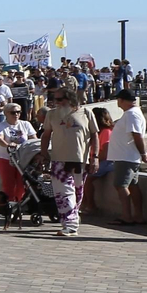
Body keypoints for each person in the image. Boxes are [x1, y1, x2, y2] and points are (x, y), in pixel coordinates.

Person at [38, 89, 96, 238]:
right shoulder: (52, 114)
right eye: (55, 99)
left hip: (80, 160)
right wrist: (44, 153)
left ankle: (72, 218)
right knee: (63, 193)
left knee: (77, 192)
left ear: (70, 98)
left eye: (60, 99)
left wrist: (94, 157)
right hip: (59, 160)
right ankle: (70, 225)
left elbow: (94, 135)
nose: (57, 102)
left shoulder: (87, 113)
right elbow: (46, 135)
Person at [107, 89, 147, 225]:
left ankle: (127, 216)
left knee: (121, 185)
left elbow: (137, 135)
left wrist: (143, 153)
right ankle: (138, 216)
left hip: (126, 156)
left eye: (118, 99)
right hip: (127, 156)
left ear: (122, 100)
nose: (117, 102)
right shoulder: (132, 114)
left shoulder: (131, 114)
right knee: (132, 185)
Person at [0, 101, 38, 205]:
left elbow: (33, 138)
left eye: (18, 112)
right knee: (8, 183)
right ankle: (9, 203)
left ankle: (19, 203)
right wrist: (7, 145)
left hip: (23, 159)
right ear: (6, 113)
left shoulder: (25, 124)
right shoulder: (1, 125)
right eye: (13, 112)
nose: (16, 114)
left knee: (22, 182)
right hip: (6, 158)